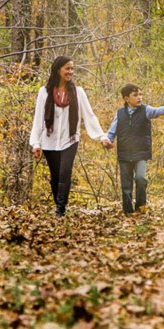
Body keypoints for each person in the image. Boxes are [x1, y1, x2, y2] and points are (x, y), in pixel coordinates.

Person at [30, 56, 111, 216]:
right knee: (55, 176)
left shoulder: (78, 92)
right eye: (67, 68)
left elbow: (89, 115)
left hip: (70, 139)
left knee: (65, 172)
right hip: (49, 141)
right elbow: (38, 118)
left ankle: (61, 209)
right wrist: (36, 143)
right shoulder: (44, 92)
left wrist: (101, 136)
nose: (70, 72)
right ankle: (58, 204)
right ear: (58, 69)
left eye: (72, 69)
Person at [106, 83, 164, 215]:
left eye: (140, 94)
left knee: (141, 178)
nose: (139, 97)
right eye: (135, 95)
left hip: (141, 152)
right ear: (126, 98)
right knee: (126, 186)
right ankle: (127, 211)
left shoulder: (146, 110)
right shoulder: (119, 113)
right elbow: (111, 131)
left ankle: (140, 208)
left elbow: (159, 110)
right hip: (124, 153)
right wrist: (108, 141)